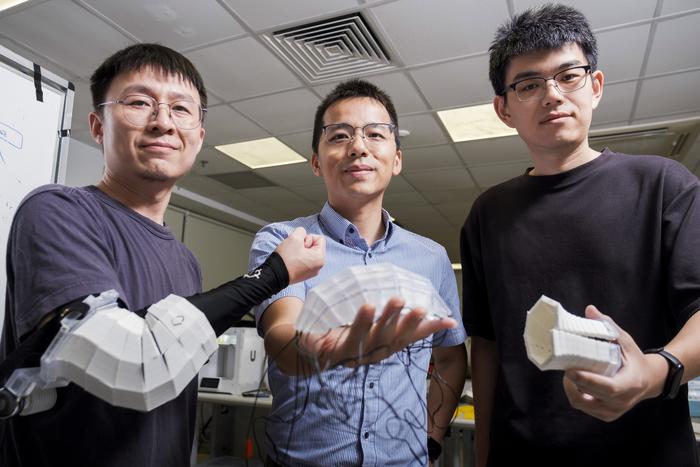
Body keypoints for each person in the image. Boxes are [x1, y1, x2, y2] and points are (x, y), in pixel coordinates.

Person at [0, 43, 324, 467]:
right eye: (139, 102)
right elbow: (135, 364)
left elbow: (171, 387)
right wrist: (274, 273)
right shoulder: (57, 212)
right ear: (98, 127)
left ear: (199, 136)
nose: (163, 123)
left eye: (181, 109)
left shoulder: (186, 262)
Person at [460, 4, 700, 467]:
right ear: (503, 109)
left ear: (595, 86)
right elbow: (487, 344)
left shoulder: (663, 185)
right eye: (529, 85)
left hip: (647, 453)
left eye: (568, 75)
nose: (552, 95)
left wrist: (654, 371)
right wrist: (485, 453)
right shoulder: (488, 213)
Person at [248, 79, 468, 466]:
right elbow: (281, 335)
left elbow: (450, 358)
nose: (358, 147)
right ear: (316, 162)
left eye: (375, 134)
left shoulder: (432, 258)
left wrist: (432, 437)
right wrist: (320, 349)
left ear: (397, 159)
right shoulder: (284, 240)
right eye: (339, 136)